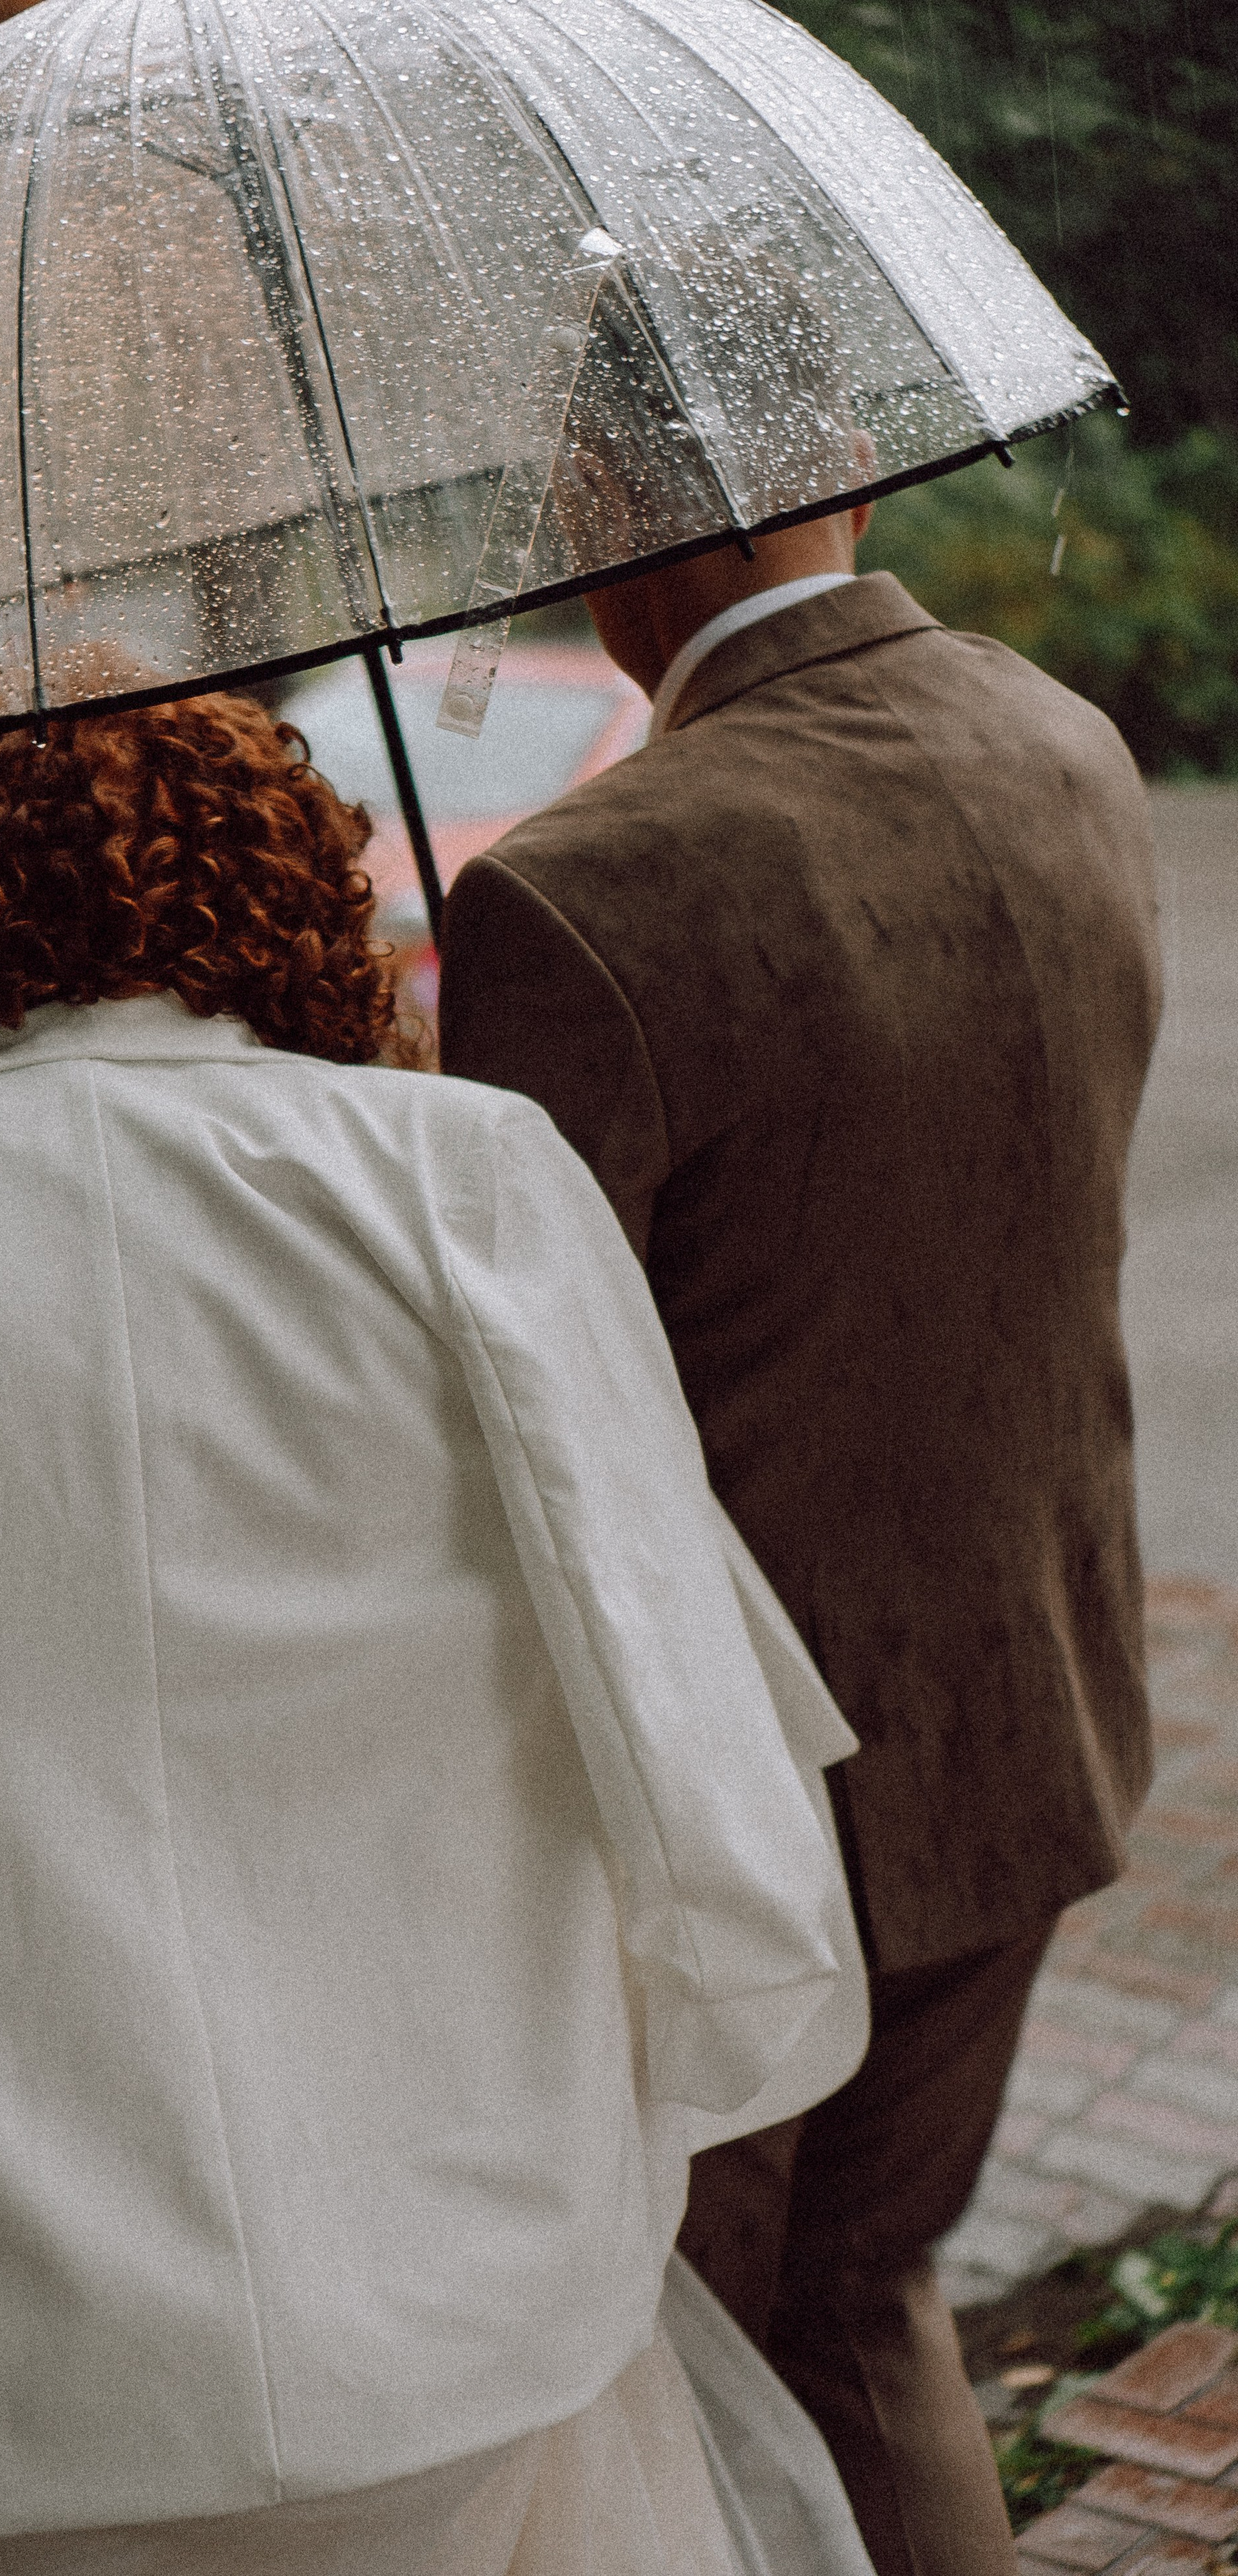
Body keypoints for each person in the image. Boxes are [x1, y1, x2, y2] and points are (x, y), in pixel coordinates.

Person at [0, 696, 876, 2575]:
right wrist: (714, 2001)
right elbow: (676, 1682)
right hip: (436, 2271)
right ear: (291, 906)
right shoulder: (470, 1180)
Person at [437, 500, 1161, 2576]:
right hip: (1039, 1709)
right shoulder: (1065, 746)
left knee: (735, 2353)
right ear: (835, 465)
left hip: (760, 1808)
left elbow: (512, 1412)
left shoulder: (579, 894)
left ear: (608, 535)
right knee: (873, 2303)